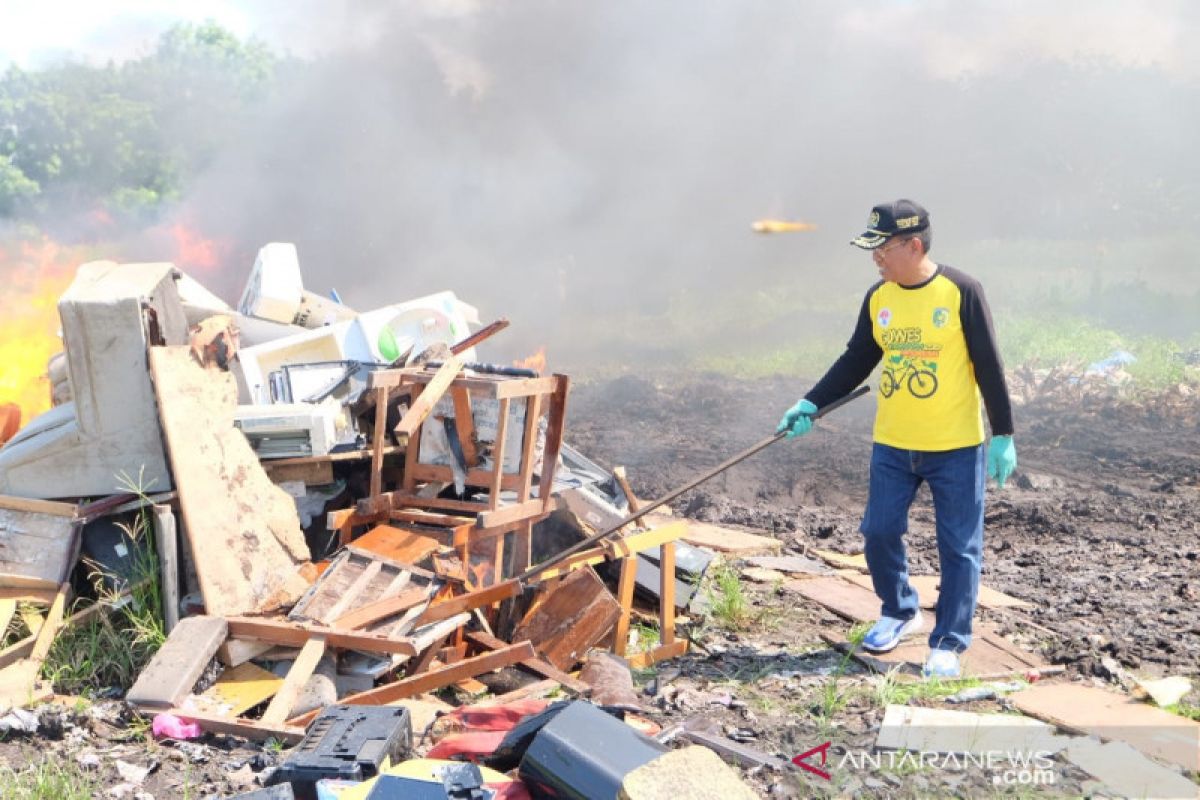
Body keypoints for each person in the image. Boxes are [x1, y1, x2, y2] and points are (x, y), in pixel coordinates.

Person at [777, 199, 1016, 678]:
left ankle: (949, 640)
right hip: (892, 443)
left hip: (954, 447)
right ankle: (899, 610)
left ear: (913, 244)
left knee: (959, 546)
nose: (875, 258)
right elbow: (856, 359)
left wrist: (1003, 434)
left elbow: (989, 364)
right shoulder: (879, 298)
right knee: (879, 530)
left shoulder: (961, 291)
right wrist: (811, 403)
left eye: (881, 248)